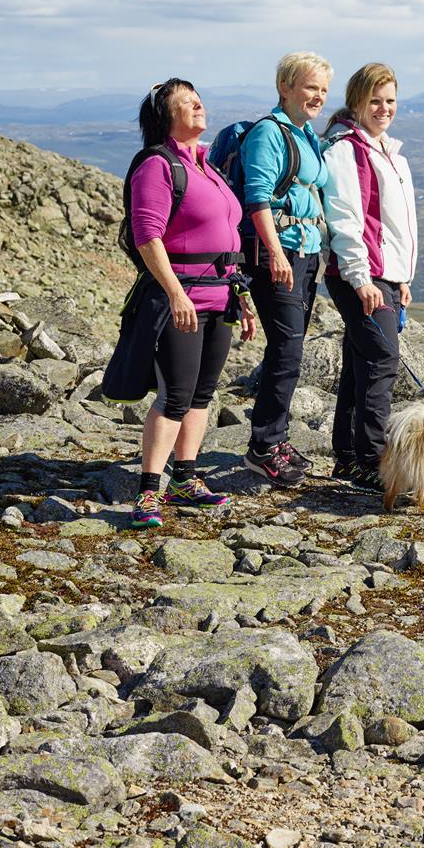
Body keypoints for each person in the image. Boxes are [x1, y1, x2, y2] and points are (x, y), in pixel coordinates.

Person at [127, 79, 255, 529]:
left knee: (202, 393)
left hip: (221, 295)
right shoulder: (158, 166)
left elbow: (227, 237)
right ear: (166, 118)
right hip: (181, 298)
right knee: (176, 395)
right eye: (185, 101)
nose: (197, 104)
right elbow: (148, 235)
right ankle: (148, 491)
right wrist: (175, 293)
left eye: (197, 98)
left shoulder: (207, 167)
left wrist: (241, 296)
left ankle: (185, 478)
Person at [322, 63, 417, 492]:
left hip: (383, 276)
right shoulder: (348, 150)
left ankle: (349, 459)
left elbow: (392, 226)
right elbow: (346, 219)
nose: (384, 108)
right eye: (375, 100)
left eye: (390, 100)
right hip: (360, 276)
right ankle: (372, 459)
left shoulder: (389, 152)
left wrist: (400, 278)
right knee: (381, 361)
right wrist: (361, 278)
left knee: (363, 363)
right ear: (357, 102)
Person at [240, 52, 334, 486]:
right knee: (287, 350)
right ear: (286, 87)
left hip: (306, 254)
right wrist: (276, 254)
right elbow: (257, 197)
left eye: (323, 90)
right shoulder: (269, 133)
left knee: (288, 349)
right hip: (277, 255)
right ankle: (263, 446)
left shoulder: (306, 135)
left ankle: (273, 440)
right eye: (310, 87)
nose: (318, 96)